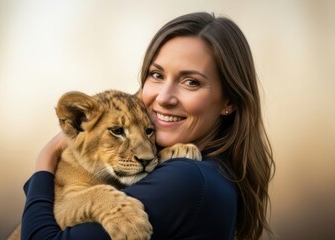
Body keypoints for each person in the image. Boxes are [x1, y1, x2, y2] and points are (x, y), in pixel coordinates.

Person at [20, 12, 275, 240]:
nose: (164, 98)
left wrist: (45, 161)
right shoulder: (213, 172)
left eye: (191, 82)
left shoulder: (187, 179)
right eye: (157, 75)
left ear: (229, 102)